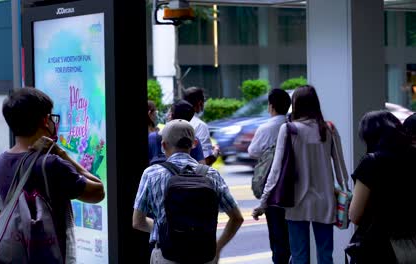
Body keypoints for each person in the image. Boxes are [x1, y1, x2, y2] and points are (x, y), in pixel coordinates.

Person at [0, 87, 105, 261]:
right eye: (52, 117)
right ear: (45, 120)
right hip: (50, 255)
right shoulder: (51, 164)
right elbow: (98, 191)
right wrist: (62, 154)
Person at [252, 85, 348, 264]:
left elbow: (276, 171)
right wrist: (345, 194)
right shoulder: (329, 129)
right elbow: (341, 169)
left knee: (299, 256)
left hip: (296, 202)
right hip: (325, 201)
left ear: (295, 104)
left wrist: (263, 202)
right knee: (326, 256)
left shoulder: (289, 129)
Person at [133, 119, 244, 264]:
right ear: (194, 144)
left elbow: (137, 222)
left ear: (163, 145)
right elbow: (237, 218)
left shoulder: (151, 174)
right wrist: (217, 248)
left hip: (166, 255)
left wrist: (167, 230)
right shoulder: (211, 175)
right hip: (203, 255)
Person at [348, 110, 416, 263]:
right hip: (410, 245)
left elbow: (355, 215)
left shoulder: (371, 162)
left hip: (377, 249)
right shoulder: (412, 157)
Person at [248, 88, 291, 264]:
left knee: (277, 235)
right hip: (293, 187)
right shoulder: (293, 125)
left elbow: (252, 151)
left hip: (272, 190)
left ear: (271, 106)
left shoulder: (266, 127)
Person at [148, 99, 205, 165]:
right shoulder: (194, 140)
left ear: (171, 115)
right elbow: (202, 165)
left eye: (168, 112)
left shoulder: (152, 138)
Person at [183, 87, 220, 166]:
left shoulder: (173, 121)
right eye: (204, 100)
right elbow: (204, 161)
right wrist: (215, 153)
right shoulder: (200, 125)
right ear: (200, 103)